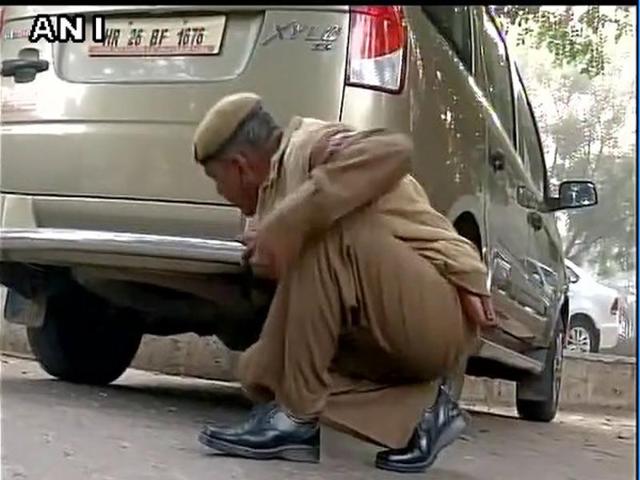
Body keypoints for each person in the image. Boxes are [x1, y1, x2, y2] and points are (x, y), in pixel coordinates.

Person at [192, 92, 496, 473]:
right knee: (260, 373)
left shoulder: (311, 146)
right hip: (387, 325)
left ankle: (297, 419)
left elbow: (393, 149)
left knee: (324, 228)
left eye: (216, 181)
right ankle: (423, 411)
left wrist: (293, 219)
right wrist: (265, 252)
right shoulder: (269, 197)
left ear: (240, 167)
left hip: (438, 308)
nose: (221, 195)